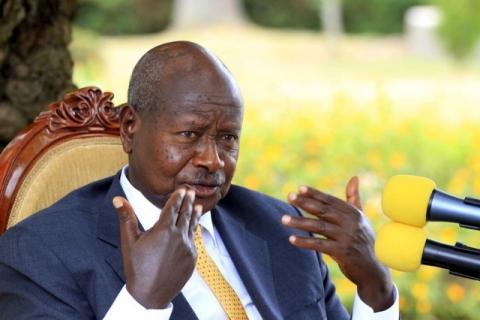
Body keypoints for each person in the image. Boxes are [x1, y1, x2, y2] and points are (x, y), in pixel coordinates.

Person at [0, 41, 398, 319]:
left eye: (227, 139)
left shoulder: (283, 230)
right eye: (189, 135)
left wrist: (374, 287)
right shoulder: (40, 252)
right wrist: (142, 304)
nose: (213, 160)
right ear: (130, 128)